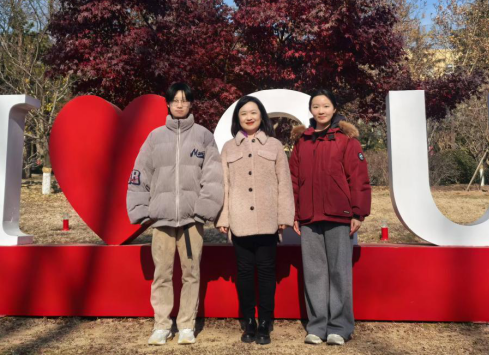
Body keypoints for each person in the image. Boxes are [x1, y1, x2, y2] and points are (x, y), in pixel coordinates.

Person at [126, 82, 223, 346]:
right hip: (162, 219)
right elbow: (140, 173)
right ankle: (161, 326)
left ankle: (186, 325)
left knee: (191, 273)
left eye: (184, 100)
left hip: (192, 220)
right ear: (168, 104)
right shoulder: (155, 137)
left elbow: (214, 176)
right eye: (175, 100)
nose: (180, 104)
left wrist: (204, 210)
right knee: (162, 273)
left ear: (191, 104)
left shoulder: (203, 136)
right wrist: (140, 210)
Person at [289, 89, 371, 346]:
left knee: (339, 272)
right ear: (310, 110)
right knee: (313, 273)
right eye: (316, 106)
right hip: (309, 218)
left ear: (334, 108)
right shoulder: (302, 142)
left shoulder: (347, 141)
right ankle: (317, 326)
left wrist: (358, 212)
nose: (321, 110)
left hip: (339, 216)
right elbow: (293, 181)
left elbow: (359, 178)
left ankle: (340, 327)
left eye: (326, 106)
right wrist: (294, 213)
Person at [215, 96, 294, 345]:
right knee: (245, 272)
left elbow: (284, 182)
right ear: (237, 118)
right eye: (244, 113)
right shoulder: (228, 148)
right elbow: (224, 185)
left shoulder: (274, 145)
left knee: (267, 272)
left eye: (254, 112)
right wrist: (223, 217)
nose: (249, 117)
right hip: (239, 220)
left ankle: (265, 322)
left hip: (268, 219)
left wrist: (284, 215)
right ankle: (249, 320)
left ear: (261, 116)